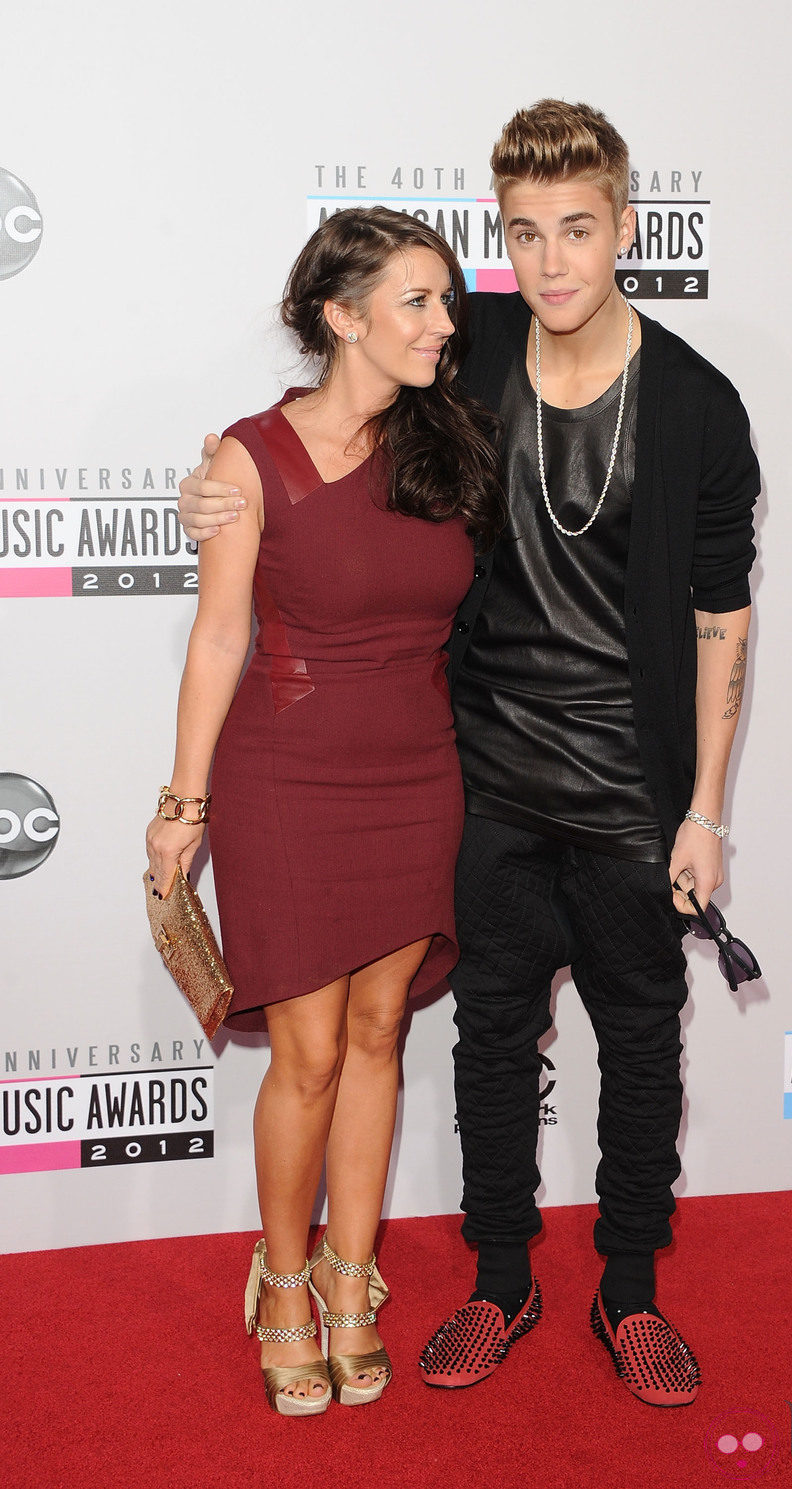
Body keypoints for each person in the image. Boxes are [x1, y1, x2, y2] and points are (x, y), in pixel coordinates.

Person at [177, 100, 759, 1408]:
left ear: (625, 230)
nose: (551, 262)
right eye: (524, 235)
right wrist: (209, 483)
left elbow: (723, 614)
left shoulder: (699, 406)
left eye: (579, 231)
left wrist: (708, 808)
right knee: (490, 1047)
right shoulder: (470, 343)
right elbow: (327, 406)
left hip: (632, 797)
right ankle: (502, 1282)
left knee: (644, 1049)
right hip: (482, 786)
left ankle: (631, 1290)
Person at [147, 206, 504, 1417]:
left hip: (417, 773)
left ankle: (356, 1279)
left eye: (447, 300)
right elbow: (219, 635)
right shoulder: (248, 458)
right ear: (341, 316)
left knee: (378, 1036)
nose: (444, 323)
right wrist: (181, 803)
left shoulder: (448, 437)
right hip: (288, 780)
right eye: (416, 302)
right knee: (302, 1055)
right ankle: (287, 1283)